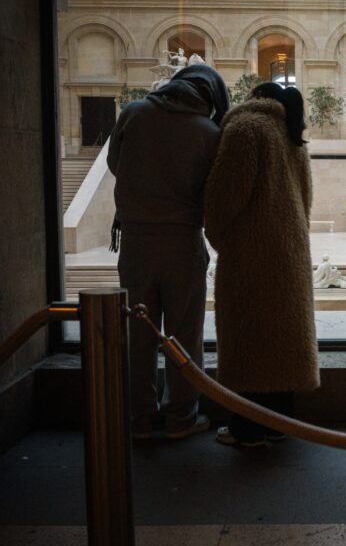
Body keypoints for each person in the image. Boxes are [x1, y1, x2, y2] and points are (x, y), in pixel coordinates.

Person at [107, 64, 230, 440]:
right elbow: (213, 189)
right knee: (185, 335)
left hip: (135, 242)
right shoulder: (209, 132)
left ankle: (140, 418)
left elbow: (114, 164)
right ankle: (181, 417)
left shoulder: (133, 113)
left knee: (137, 334)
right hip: (182, 243)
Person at [204, 82, 319, 448]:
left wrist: (220, 238)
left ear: (253, 98)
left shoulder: (245, 129)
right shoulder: (292, 134)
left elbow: (224, 196)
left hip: (251, 254)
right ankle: (279, 423)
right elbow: (306, 199)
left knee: (249, 338)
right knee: (282, 339)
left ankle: (247, 430)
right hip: (290, 251)